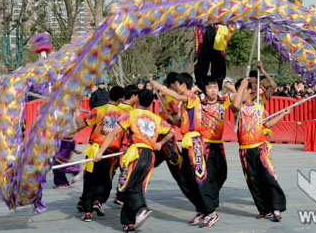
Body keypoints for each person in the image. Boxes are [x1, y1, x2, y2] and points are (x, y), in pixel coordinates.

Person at [94, 89, 175, 232]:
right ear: (151, 103)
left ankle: (141, 208)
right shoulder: (156, 118)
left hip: (136, 154)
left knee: (127, 187)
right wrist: (160, 144)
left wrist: (100, 152)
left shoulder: (130, 116)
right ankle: (128, 222)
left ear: (136, 99)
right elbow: (172, 131)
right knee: (136, 186)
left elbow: (112, 134)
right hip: (150, 155)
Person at [151, 73, 219, 228]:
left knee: (199, 177)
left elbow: (175, 95)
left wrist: (158, 86)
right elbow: (180, 122)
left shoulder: (191, 97)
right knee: (188, 178)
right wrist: (170, 118)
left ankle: (211, 212)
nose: (175, 88)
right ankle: (202, 209)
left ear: (183, 85)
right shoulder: (186, 103)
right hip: (188, 141)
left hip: (194, 141)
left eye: (177, 84)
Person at [232, 77, 290, 222]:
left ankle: (275, 208)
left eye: (244, 89)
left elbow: (268, 125)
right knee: (252, 181)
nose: (241, 93)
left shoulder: (259, 108)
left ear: (251, 91)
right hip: (245, 150)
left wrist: (282, 115)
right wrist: (241, 87)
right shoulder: (238, 110)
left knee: (268, 177)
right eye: (240, 90)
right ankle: (264, 209)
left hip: (260, 148)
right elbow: (235, 105)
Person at [75, 85, 126, 222]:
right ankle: (98, 200)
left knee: (90, 180)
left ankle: (87, 212)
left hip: (95, 150)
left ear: (108, 95)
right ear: (121, 99)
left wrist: (76, 112)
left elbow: (81, 125)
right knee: (105, 180)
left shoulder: (97, 111)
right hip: (111, 152)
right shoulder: (123, 115)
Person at [185, 0, 229, 92]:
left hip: (218, 28)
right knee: (202, 61)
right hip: (203, 29)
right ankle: (202, 89)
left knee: (219, 60)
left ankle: (218, 90)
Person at [199, 76, 235, 214]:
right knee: (208, 175)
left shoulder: (223, 101)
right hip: (204, 144)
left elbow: (236, 95)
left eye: (215, 87)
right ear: (205, 89)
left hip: (218, 144)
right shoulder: (200, 102)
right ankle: (209, 204)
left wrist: (229, 86)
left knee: (222, 174)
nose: (213, 90)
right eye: (209, 87)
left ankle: (210, 196)